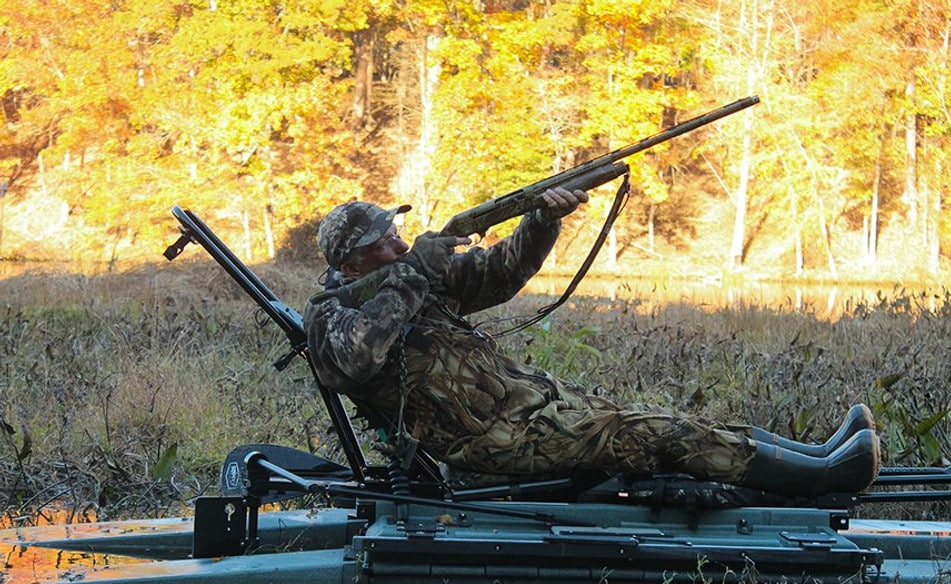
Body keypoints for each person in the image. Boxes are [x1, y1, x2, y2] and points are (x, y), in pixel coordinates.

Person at [303, 188, 880, 497]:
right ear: (351, 260)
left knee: (652, 417)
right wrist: (412, 275)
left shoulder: (412, 280)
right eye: (387, 243)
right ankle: (825, 478)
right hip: (490, 443)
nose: (401, 247)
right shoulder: (332, 314)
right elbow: (354, 359)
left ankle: (817, 457)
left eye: (400, 236)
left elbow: (500, 274)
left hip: (532, 407)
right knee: (647, 434)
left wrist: (541, 222)